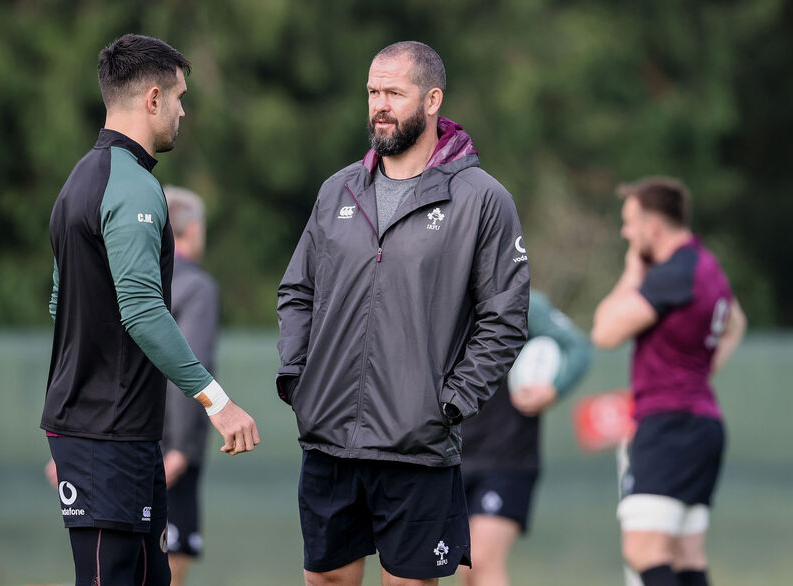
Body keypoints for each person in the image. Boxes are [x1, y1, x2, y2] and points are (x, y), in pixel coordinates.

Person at [276, 41, 530, 585]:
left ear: (432, 99)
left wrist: (452, 403)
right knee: (325, 580)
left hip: (417, 445)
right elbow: (297, 290)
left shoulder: (482, 199)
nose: (380, 105)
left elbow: (504, 320)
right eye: (373, 92)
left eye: (395, 92)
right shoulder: (336, 190)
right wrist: (300, 377)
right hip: (329, 437)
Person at [42, 34, 259, 586]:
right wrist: (218, 402)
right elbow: (140, 311)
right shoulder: (133, 186)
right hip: (105, 435)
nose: (184, 110)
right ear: (154, 98)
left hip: (118, 433)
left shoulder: (77, 182)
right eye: (182, 97)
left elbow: (57, 303)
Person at [591, 177, 747, 586]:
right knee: (685, 555)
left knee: (644, 550)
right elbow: (736, 323)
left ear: (653, 228)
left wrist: (630, 273)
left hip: (669, 425)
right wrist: (698, 372)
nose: (626, 233)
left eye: (630, 224)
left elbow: (604, 332)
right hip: (701, 423)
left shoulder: (672, 271)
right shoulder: (707, 266)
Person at [459, 290, 591, 586]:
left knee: (483, 560)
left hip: (507, 456)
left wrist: (553, 388)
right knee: (466, 569)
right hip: (454, 456)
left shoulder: (522, 301)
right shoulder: (437, 293)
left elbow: (578, 348)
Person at [160, 186, 219, 585]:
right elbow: (189, 367)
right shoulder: (197, 286)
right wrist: (180, 448)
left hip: (117, 441)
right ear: (193, 229)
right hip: (168, 453)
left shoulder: (127, 279)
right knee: (168, 563)